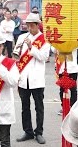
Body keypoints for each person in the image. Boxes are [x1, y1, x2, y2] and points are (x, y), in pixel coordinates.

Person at [14, 13, 50, 144]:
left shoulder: (44, 39)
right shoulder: (22, 37)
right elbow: (17, 55)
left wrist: (31, 47)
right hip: (23, 77)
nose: (29, 28)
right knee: (25, 106)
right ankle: (27, 131)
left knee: (39, 107)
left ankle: (39, 132)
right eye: (27, 26)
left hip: (37, 79)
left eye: (32, 26)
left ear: (37, 25)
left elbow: (44, 57)